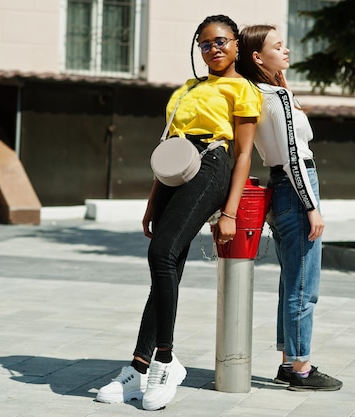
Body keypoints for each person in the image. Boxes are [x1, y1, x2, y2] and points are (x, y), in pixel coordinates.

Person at [96, 15, 260, 410]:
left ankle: (166, 361)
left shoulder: (242, 89)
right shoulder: (185, 89)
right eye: (204, 44)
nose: (213, 49)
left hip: (212, 166)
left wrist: (231, 212)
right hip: (175, 169)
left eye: (221, 41)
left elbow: (243, 155)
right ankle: (138, 368)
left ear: (236, 44)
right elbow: (168, 148)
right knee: (166, 267)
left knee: (161, 255)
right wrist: (153, 202)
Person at [236, 25, 342, 391]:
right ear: (256, 56)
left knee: (290, 282)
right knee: (303, 286)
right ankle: (301, 368)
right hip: (296, 187)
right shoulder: (274, 97)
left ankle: (288, 361)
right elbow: (295, 156)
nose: (286, 51)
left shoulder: (262, 93)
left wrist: (284, 85)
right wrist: (312, 207)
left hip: (280, 187)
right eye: (278, 47)